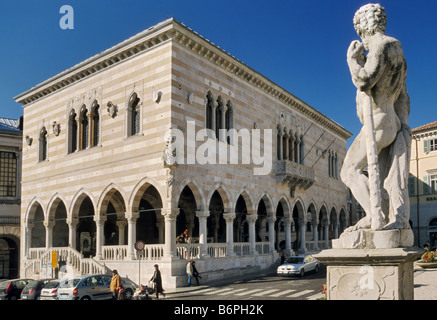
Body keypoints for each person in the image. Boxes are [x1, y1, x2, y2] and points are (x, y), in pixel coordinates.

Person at [340, 3, 411, 232]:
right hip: (391, 122)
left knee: (348, 171)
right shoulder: (398, 51)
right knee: (377, 181)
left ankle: (374, 214)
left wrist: (352, 62)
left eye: (360, 31)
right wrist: (403, 126)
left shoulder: (381, 45)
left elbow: (364, 80)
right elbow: (403, 96)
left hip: (379, 122)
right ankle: (383, 216)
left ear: (363, 27)